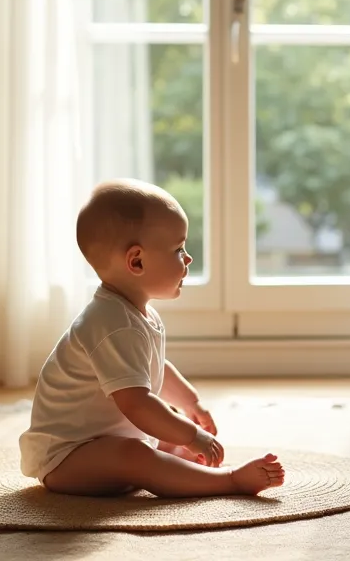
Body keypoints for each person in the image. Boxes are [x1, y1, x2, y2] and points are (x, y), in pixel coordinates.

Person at [19, 178, 285, 497]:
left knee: (164, 430)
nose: (187, 260)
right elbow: (137, 404)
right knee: (138, 454)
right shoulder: (112, 323)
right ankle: (228, 482)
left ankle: (182, 468)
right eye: (179, 249)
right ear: (137, 261)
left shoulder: (135, 314)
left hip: (106, 441)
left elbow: (155, 368)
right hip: (67, 458)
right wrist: (191, 435)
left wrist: (190, 403)